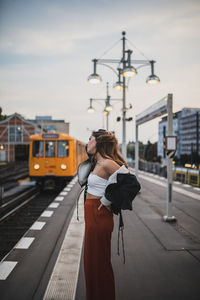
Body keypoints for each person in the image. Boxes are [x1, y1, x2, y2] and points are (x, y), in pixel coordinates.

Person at [84, 129, 128, 300]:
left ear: (98, 142)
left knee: (99, 263)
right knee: (91, 263)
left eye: (90, 139)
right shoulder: (97, 163)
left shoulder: (108, 163)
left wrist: (107, 201)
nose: (87, 142)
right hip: (92, 216)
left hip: (99, 216)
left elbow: (131, 184)